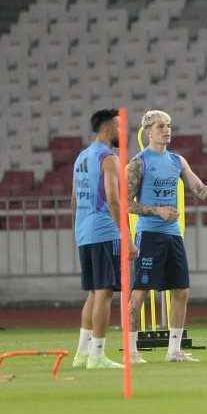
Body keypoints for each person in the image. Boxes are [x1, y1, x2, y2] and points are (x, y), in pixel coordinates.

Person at [126, 110, 207, 363]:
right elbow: (125, 203)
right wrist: (156, 210)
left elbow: (202, 192)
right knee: (139, 293)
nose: (167, 130)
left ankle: (173, 352)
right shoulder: (138, 162)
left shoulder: (178, 161)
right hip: (149, 234)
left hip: (173, 235)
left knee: (181, 291)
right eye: (161, 126)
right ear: (148, 132)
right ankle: (131, 352)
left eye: (169, 125)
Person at [72, 109, 138, 369]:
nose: (125, 132)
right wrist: (127, 238)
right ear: (107, 130)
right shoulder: (108, 158)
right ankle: (97, 356)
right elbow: (113, 199)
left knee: (94, 293)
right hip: (104, 231)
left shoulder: (81, 158)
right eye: (120, 128)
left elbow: (74, 200)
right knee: (105, 294)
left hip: (85, 231)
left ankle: (81, 354)